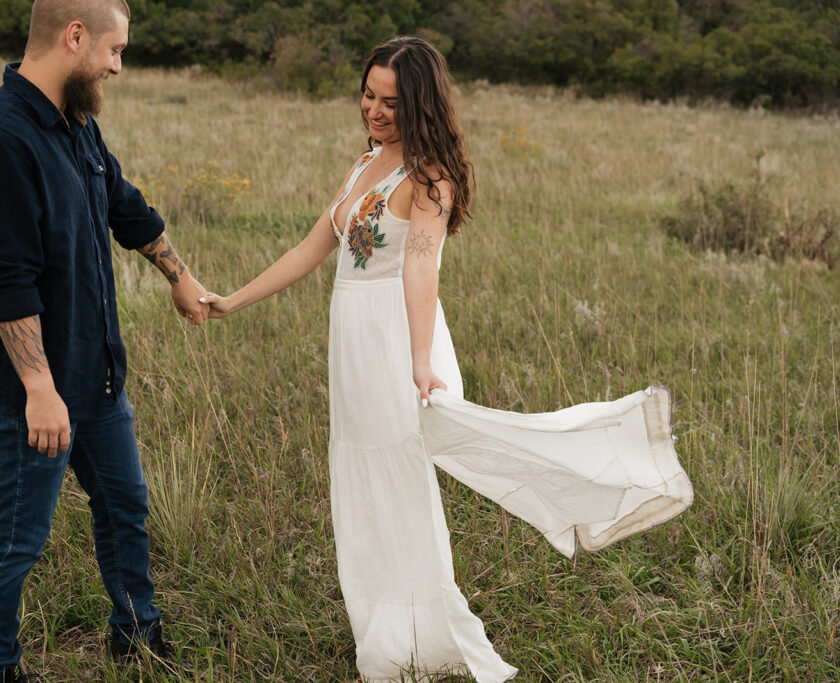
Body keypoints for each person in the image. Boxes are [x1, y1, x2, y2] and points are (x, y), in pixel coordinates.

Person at [201, 37, 693, 681]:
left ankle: (419, 636)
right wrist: (233, 301)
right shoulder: (365, 164)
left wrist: (418, 357)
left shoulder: (430, 179)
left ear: (422, 104)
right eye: (369, 96)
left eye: (392, 102)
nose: (375, 111)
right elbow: (312, 247)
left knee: (397, 481)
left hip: (393, 339)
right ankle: (380, 623)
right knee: (361, 479)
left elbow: (419, 266)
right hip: (349, 337)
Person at [0, 1, 210, 679]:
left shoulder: (74, 123)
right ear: (74, 37)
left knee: (125, 502)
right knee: (17, 538)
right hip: (29, 389)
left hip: (95, 371)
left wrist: (177, 274)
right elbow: (4, 281)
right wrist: (39, 389)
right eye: (114, 50)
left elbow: (123, 203)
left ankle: (136, 630)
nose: (117, 66)